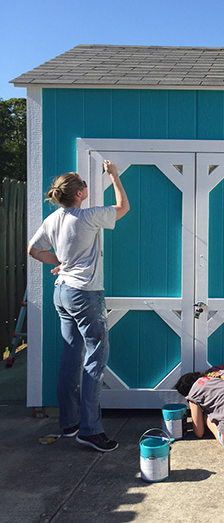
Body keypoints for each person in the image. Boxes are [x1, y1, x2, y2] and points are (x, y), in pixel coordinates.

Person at [28, 161, 129, 452]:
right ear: (80, 193)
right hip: (85, 294)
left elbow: (33, 251)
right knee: (95, 361)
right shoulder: (88, 217)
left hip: (62, 292)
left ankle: (70, 423)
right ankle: (91, 430)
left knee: (71, 357)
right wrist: (115, 176)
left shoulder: (53, 220)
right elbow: (123, 207)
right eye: (84, 185)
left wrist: (61, 263)